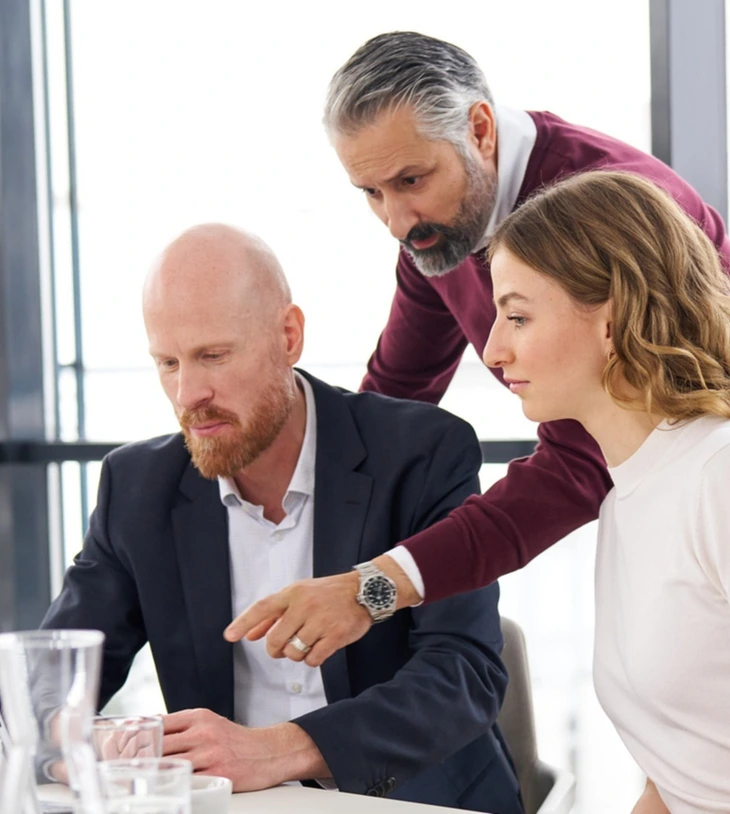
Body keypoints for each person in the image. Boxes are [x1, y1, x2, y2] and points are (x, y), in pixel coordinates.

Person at [223, 30, 730, 668]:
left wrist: (370, 589)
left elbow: (577, 467)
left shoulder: (613, 214)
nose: (397, 220)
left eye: (411, 179)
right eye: (371, 193)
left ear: (481, 130)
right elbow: (395, 393)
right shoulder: (442, 226)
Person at [40, 224, 522, 812]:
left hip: (413, 801)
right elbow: (52, 679)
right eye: (167, 362)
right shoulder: (137, 487)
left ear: (288, 336)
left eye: (213, 356)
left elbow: (463, 675)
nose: (188, 393)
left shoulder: (421, 453)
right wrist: (90, 738)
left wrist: (278, 750)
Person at [482, 170, 730, 812]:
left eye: (517, 316)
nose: (491, 350)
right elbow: (676, 774)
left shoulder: (717, 476)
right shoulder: (626, 501)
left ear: (612, 321)